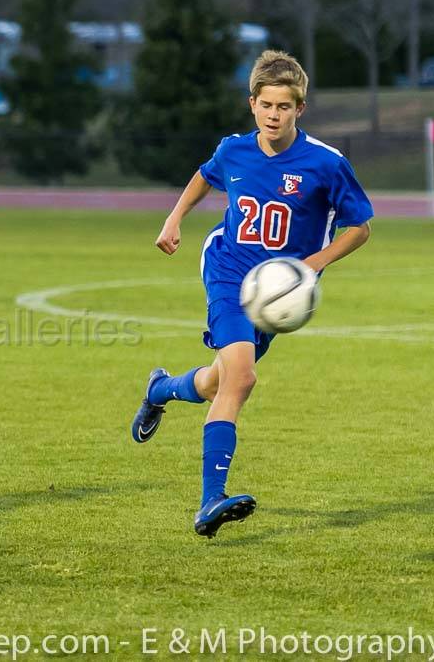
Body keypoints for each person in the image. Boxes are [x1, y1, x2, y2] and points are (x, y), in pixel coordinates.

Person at [129, 50, 373, 538]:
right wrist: (174, 219)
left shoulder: (326, 164)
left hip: (275, 294)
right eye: (266, 105)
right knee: (242, 379)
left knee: (218, 383)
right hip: (227, 271)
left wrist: (312, 265)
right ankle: (208, 502)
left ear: (299, 109)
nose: (274, 115)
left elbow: (359, 227)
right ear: (252, 104)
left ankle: (160, 389)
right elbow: (204, 176)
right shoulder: (234, 150)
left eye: (284, 107)